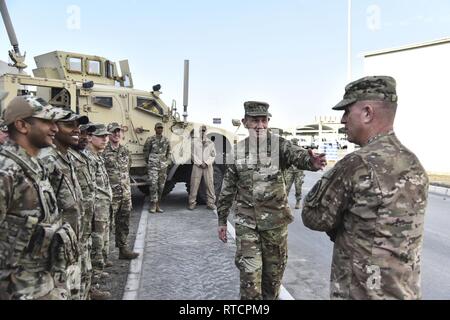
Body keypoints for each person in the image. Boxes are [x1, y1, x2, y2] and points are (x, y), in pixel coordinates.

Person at [302, 76, 429, 300]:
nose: (342, 120)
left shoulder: (358, 164)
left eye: (347, 111)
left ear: (367, 113)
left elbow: (314, 217)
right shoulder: (414, 164)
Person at [217, 101, 327, 300]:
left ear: (268, 121)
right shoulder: (237, 152)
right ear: (245, 122)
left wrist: (311, 161)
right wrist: (221, 220)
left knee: (272, 282)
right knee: (250, 280)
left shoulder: (279, 145)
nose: (259, 125)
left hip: (275, 225)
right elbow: (227, 187)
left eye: (263, 120)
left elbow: (298, 155)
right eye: (254, 121)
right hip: (246, 225)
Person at [0, 95, 70, 300]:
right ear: (22, 125)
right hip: (15, 291)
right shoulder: (6, 172)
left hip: (40, 285)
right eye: (47, 121)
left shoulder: (33, 167)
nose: (55, 128)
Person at [39, 110, 89, 300]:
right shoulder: (47, 160)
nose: (77, 130)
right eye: (69, 125)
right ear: (54, 128)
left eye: (77, 126)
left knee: (77, 289)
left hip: (73, 240)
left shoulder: (67, 157)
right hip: (57, 248)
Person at [103, 123, 139, 260]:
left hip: (125, 194)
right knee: (107, 225)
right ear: (108, 134)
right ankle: (103, 256)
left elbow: (127, 168)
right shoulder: (103, 151)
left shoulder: (125, 151)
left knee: (123, 222)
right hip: (111, 195)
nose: (116, 134)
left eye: (118, 132)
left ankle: (123, 250)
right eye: (113, 132)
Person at [85, 124, 113, 298]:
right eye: (101, 136)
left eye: (106, 136)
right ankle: (92, 286)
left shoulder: (98, 156)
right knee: (96, 244)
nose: (105, 139)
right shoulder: (88, 158)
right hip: (96, 208)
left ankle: (97, 271)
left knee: (102, 242)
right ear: (90, 138)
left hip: (103, 206)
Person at [144, 122, 171, 214]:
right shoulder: (150, 139)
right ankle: (153, 204)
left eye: (161, 128)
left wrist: (166, 162)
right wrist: (150, 161)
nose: (160, 129)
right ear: (155, 129)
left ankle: (158, 204)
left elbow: (169, 152)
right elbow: (146, 152)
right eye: (158, 128)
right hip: (153, 165)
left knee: (161, 186)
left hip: (163, 166)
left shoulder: (166, 140)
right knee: (153, 185)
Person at [188, 125, 217, 211]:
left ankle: (210, 203)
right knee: (194, 184)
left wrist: (207, 163)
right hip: (197, 166)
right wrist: (200, 163)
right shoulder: (194, 142)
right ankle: (192, 203)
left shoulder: (211, 143)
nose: (203, 132)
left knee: (210, 185)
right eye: (201, 130)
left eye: (204, 130)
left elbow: (213, 155)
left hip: (208, 166)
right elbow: (192, 155)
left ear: (206, 131)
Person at [284, 138, 305, 209]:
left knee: (298, 187)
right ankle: (284, 202)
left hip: (299, 171)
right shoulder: (288, 151)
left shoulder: (302, 150)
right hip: (289, 171)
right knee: (286, 187)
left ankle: (298, 202)